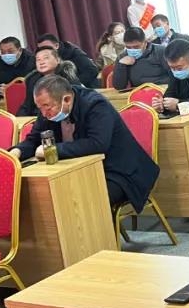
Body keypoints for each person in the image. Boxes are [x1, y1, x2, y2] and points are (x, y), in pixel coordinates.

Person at [10, 76, 158, 211]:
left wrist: (53, 149)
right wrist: (17, 152)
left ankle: (98, 232)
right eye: (40, 108)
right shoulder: (47, 109)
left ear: (67, 99)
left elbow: (98, 144)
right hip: (79, 170)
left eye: (47, 107)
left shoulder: (95, 105)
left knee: (82, 201)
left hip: (119, 171)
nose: (44, 114)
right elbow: (34, 140)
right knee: (45, 196)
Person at [18, 47, 81, 117]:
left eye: (46, 58)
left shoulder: (68, 77)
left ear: (58, 60)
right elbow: (27, 105)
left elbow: (76, 104)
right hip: (37, 117)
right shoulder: (32, 80)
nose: (41, 62)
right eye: (38, 60)